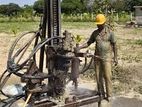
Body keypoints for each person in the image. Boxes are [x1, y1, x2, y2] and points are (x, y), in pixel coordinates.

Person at [76, 14, 118, 100]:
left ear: (104, 23)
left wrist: (115, 57)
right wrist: (80, 47)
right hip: (97, 58)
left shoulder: (110, 33)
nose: (98, 25)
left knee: (107, 76)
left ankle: (109, 95)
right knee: (98, 77)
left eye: (100, 24)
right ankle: (101, 93)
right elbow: (89, 43)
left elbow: (114, 45)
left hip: (107, 58)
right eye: (97, 24)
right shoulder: (95, 33)